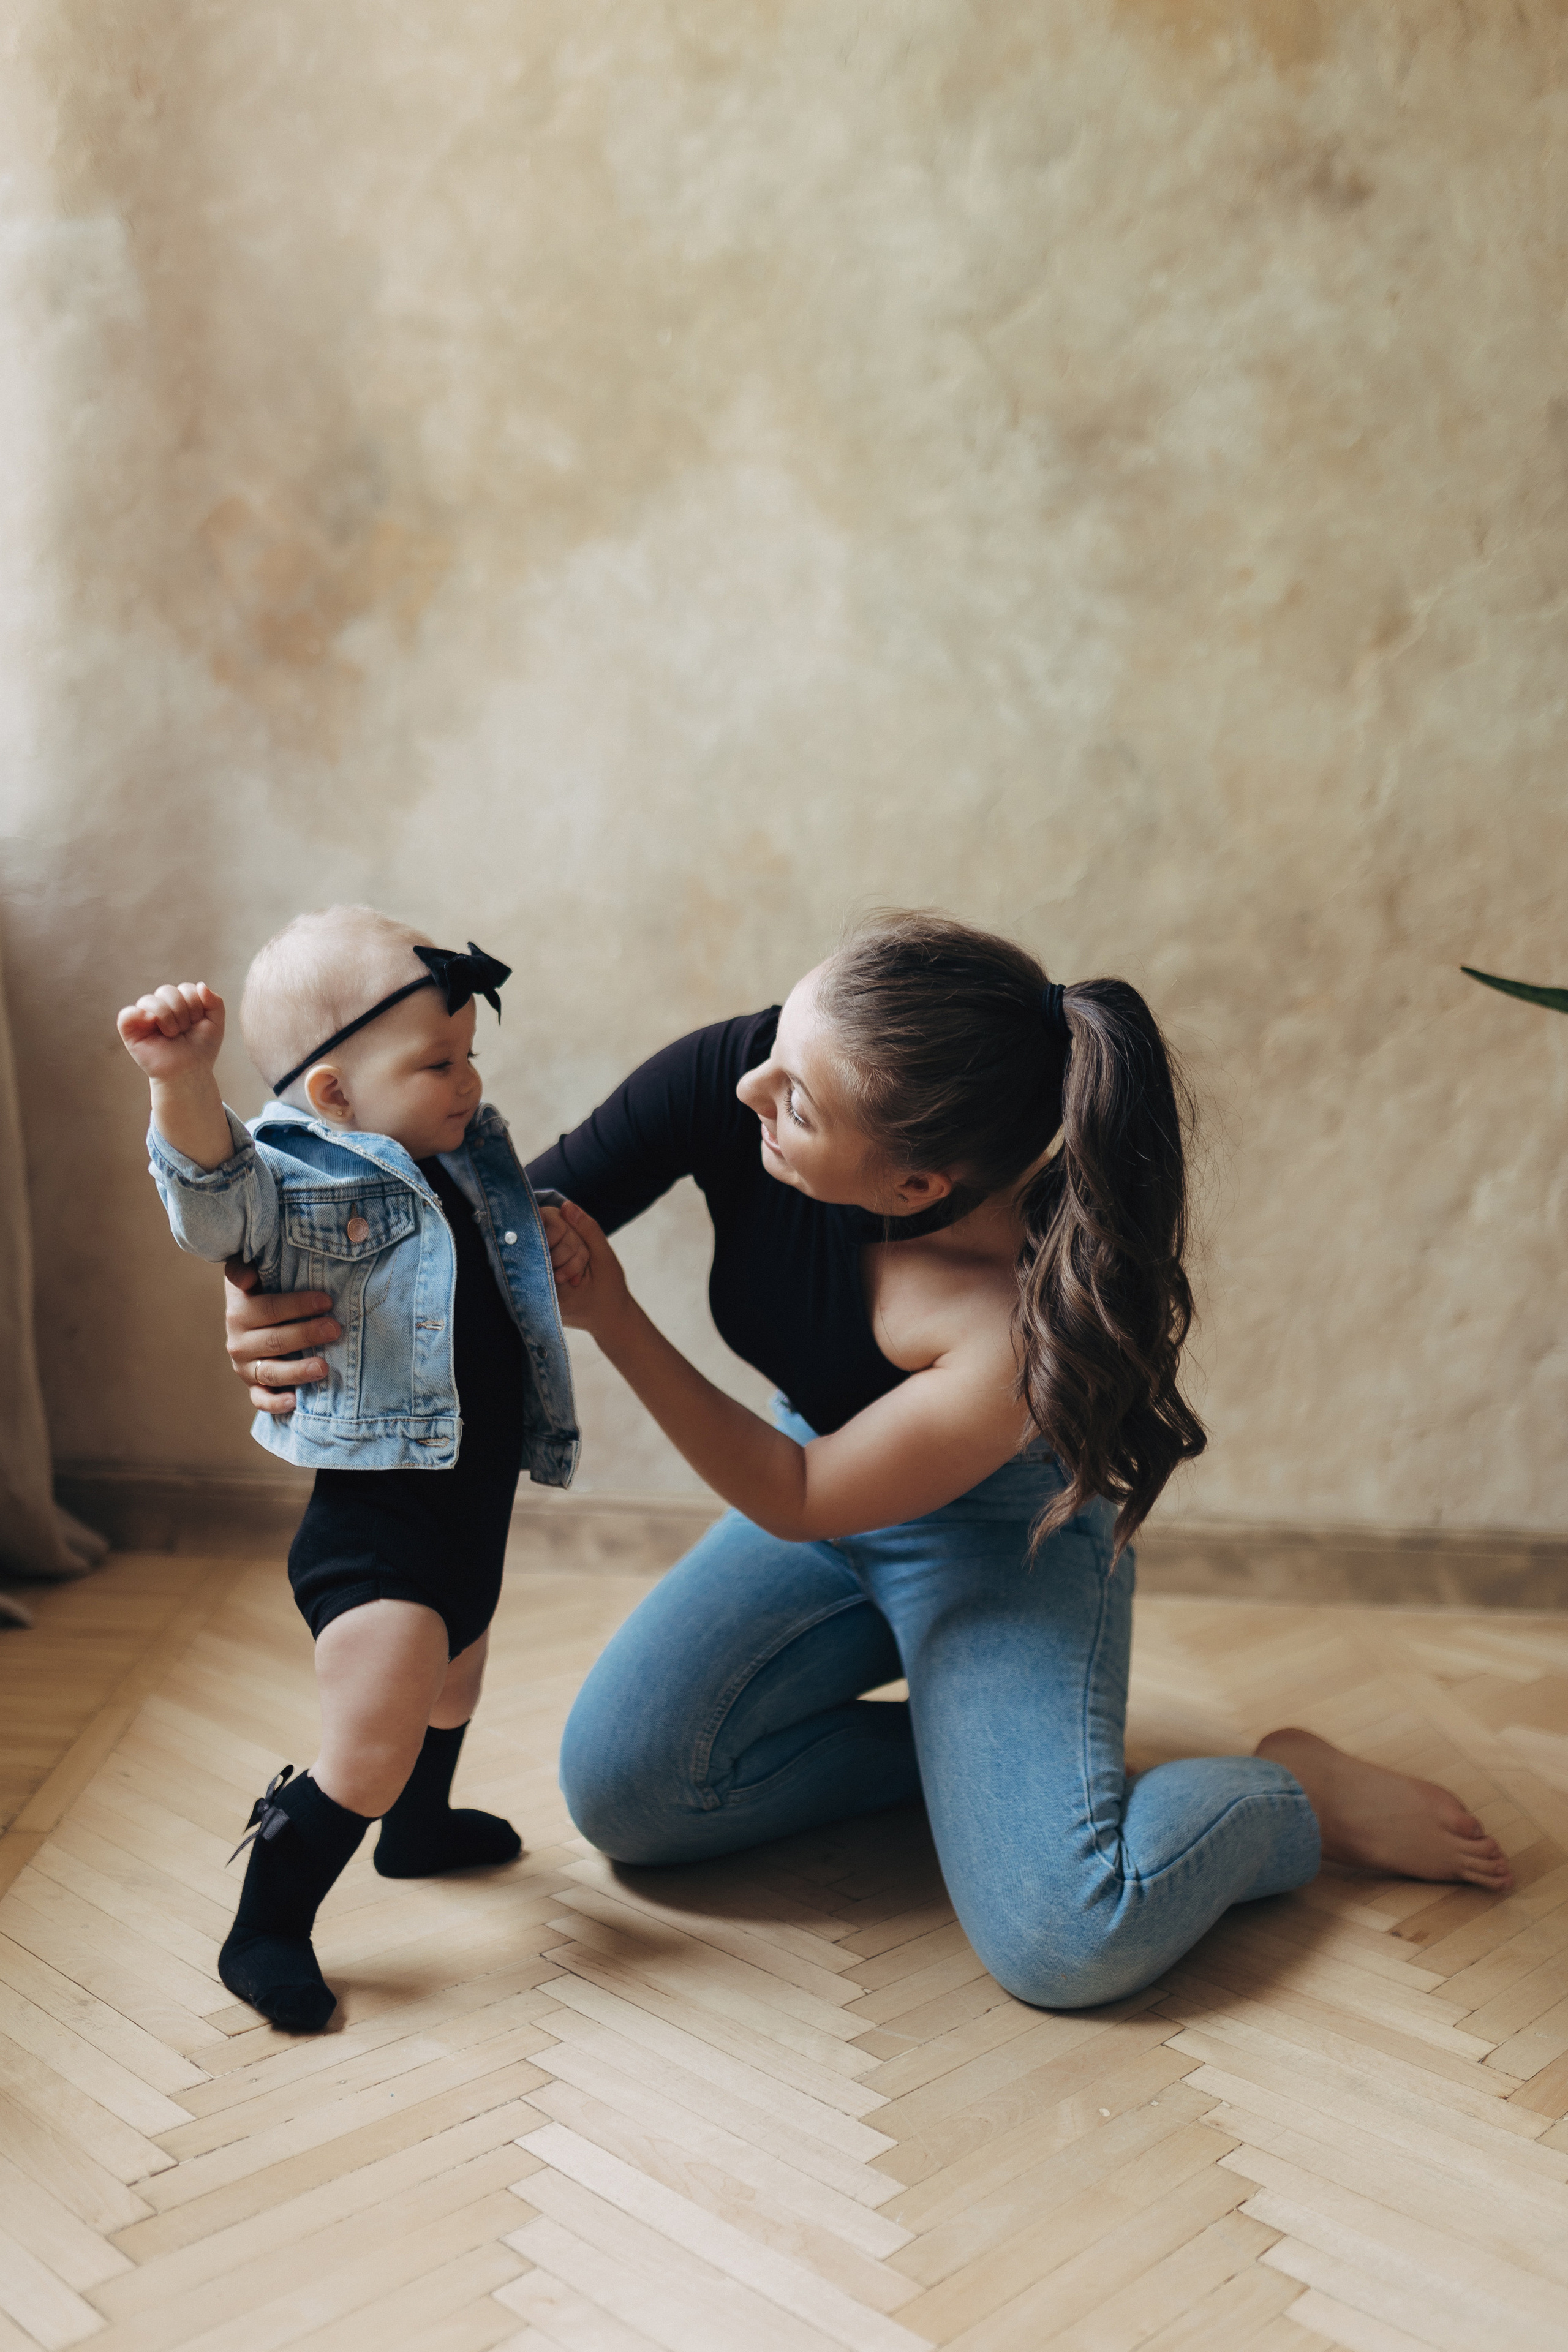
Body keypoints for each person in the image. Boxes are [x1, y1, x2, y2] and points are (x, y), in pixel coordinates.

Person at [225, 911, 1512, 2010]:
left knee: (1072, 1939)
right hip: (820, 1471)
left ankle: (1281, 1791)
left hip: (998, 1535)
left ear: (911, 1188)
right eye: (778, 1045)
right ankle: (997, 1782)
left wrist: (617, 1317)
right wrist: (264, 1302)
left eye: (794, 1101)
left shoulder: (1008, 1325)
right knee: (626, 1793)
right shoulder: (760, 1068)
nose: (746, 1093)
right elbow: (469, 1237)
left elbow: (795, 1502)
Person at [119, 905, 579, 2032]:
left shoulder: (465, 1157)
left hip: (470, 1511)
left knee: (454, 1687)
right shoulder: (295, 1177)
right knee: (369, 1746)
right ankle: (266, 1925)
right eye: (437, 1063)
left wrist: (555, 1229)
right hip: (375, 1532)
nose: (468, 1083)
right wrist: (181, 1079)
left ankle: (419, 1834)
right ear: (332, 1095)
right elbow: (210, 1197)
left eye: (471, 1054)